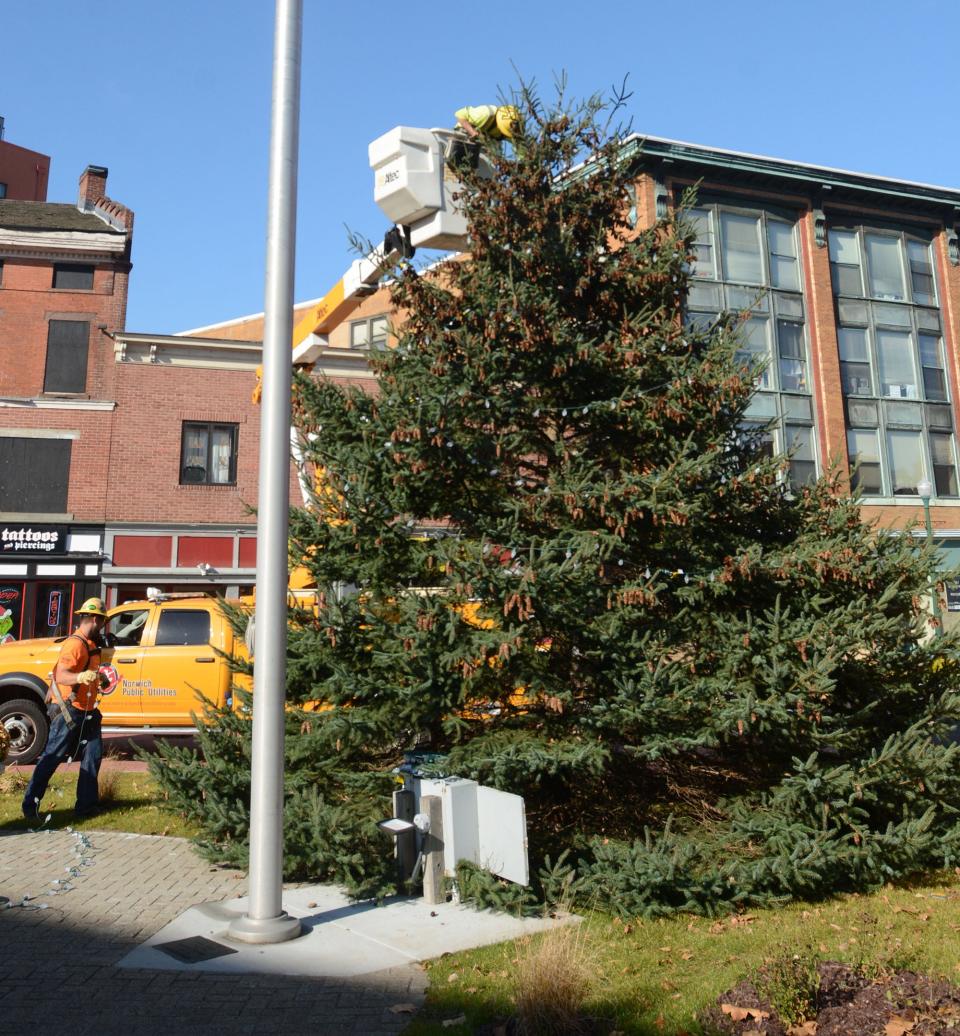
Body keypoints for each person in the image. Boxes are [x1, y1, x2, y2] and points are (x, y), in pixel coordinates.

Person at [22, 597, 108, 820]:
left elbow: (89, 673)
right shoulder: (75, 644)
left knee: (93, 756)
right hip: (69, 712)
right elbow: (62, 675)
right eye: (102, 621)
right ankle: (30, 807)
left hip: (89, 711)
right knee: (52, 757)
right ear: (94, 619)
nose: (103, 626)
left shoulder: (91, 645)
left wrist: (100, 680)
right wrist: (80, 676)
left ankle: (86, 808)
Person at [454, 104, 522, 143]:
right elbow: (460, 114)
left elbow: (520, 143)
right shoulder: (485, 114)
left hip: (485, 144)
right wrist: (473, 132)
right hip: (463, 136)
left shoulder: (509, 130)